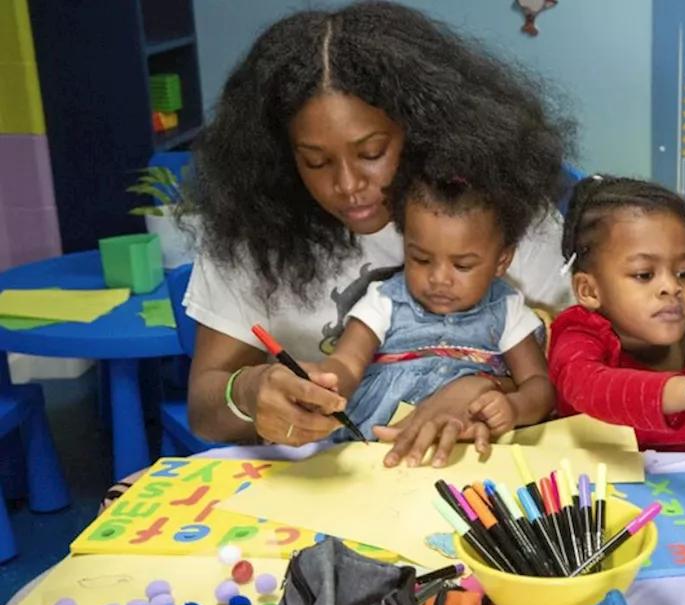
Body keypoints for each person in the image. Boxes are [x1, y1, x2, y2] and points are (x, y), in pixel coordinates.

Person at [180, 2, 571, 462]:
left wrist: (482, 388)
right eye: (316, 161)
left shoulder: (500, 213)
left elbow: (583, 380)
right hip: (335, 474)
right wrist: (248, 391)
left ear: (421, 129)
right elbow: (204, 411)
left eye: (371, 153)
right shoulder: (254, 230)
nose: (347, 186)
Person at [320, 173, 555, 464]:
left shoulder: (506, 309)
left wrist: (514, 407)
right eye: (420, 259)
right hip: (373, 447)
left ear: (502, 261)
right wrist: (324, 384)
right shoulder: (384, 300)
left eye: (462, 265)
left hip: (464, 452)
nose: (439, 278)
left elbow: (539, 384)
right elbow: (346, 361)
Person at [548, 176, 685, 452]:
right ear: (590, 290)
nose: (672, 287)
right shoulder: (579, 338)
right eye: (644, 274)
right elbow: (591, 387)